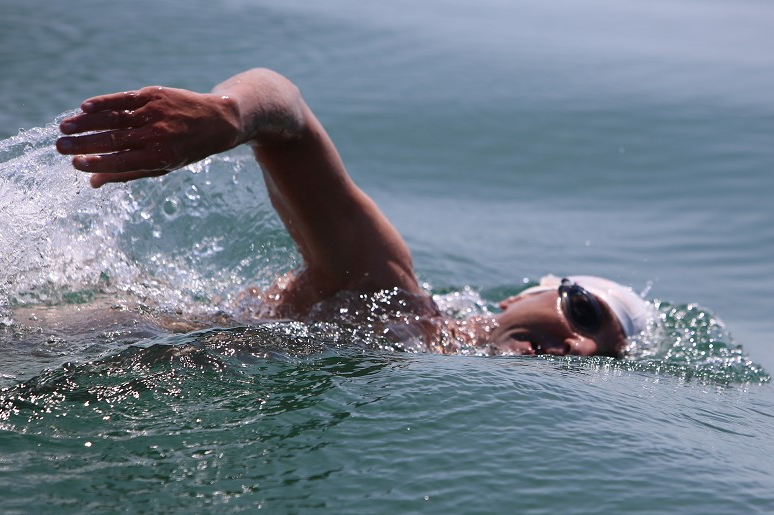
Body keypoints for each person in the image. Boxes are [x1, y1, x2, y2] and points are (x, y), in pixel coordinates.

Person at [55, 68, 653, 357]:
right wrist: (232, 115)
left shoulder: (424, 358)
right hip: (58, 347)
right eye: (582, 310)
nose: (579, 346)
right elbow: (285, 111)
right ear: (520, 294)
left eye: (601, 355)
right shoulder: (391, 297)